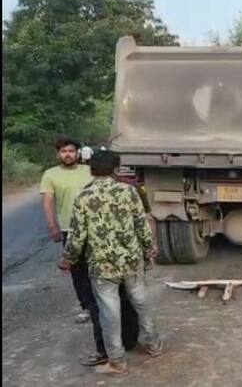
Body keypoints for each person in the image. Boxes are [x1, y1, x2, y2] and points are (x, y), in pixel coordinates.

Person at [59, 151, 163, 375]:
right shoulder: (129, 192)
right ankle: (153, 344)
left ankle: (117, 361)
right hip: (131, 261)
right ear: (116, 168)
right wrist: (150, 250)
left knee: (109, 312)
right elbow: (141, 225)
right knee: (141, 302)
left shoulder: (83, 197)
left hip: (102, 265)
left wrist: (68, 260)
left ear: (91, 168)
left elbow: (77, 235)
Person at [40, 137, 93, 323]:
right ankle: (86, 306)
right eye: (63, 151)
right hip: (68, 228)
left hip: (95, 227)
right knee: (77, 270)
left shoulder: (90, 171)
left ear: (77, 153)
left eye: (71, 151)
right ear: (58, 154)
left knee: (98, 267)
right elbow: (47, 202)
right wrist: (52, 226)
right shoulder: (50, 174)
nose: (68, 154)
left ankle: (104, 304)